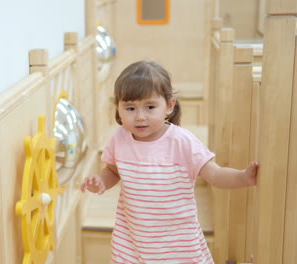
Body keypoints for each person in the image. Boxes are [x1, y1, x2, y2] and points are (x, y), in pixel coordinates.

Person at [80, 60, 258, 263]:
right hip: (133, 241)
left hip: (177, 243)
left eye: (150, 107)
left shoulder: (182, 141)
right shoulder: (120, 138)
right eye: (130, 108)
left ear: (169, 106)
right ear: (118, 108)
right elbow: (112, 171)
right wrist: (101, 182)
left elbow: (215, 174)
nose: (140, 117)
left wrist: (243, 177)